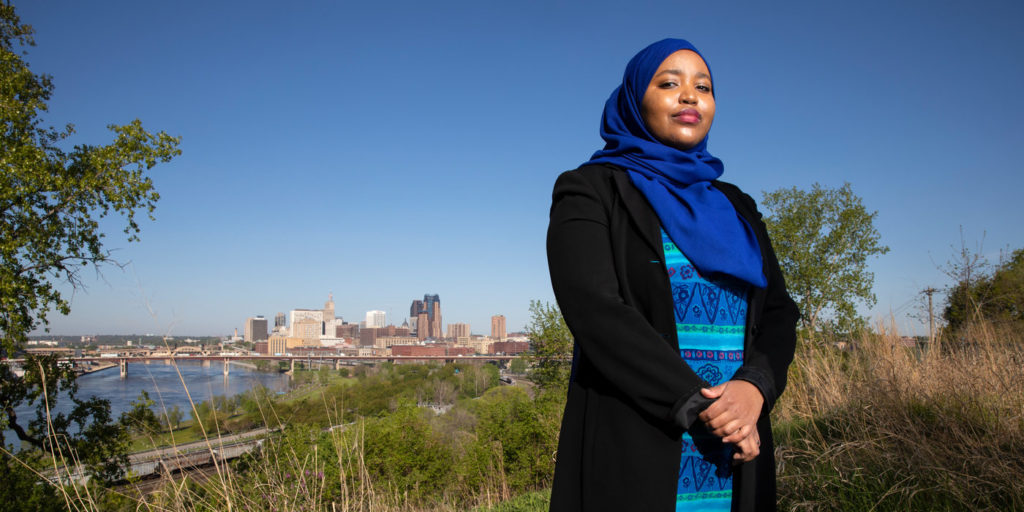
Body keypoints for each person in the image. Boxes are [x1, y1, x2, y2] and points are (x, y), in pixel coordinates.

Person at [546, 38, 799, 512]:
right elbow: (596, 310)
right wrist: (698, 405)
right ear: (634, 100)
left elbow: (780, 311)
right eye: (669, 83)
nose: (690, 96)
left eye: (703, 87)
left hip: (737, 450)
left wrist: (754, 388)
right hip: (640, 445)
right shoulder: (591, 191)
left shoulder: (736, 205)